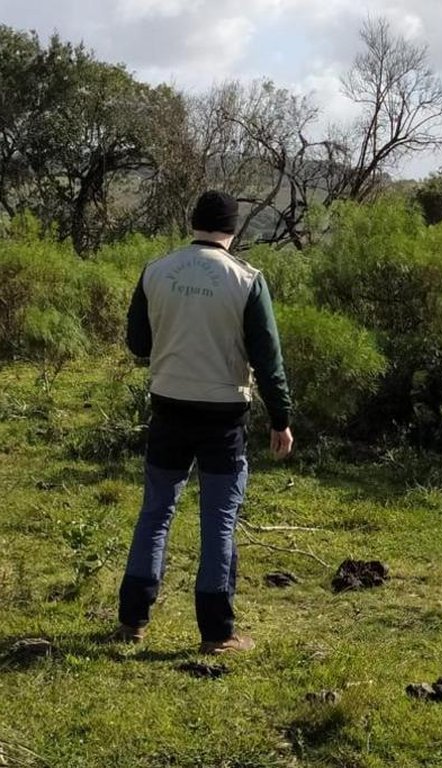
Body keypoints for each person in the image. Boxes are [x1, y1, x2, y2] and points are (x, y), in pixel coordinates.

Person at [111, 190, 293, 654]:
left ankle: (132, 620)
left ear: (194, 223)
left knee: (155, 513)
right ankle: (216, 632)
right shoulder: (246, 280)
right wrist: (281, 418)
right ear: (233, 229)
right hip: (223, 416)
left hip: (168, 405)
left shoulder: (156, 270)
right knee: (219, 520)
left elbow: (137, 342)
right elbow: (267, 360)